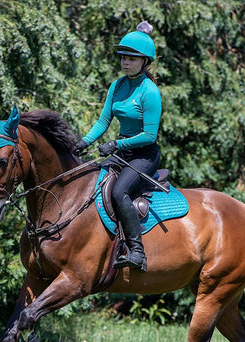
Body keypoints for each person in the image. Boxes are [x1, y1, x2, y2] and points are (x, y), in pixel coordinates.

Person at [73, 21, 161, 272]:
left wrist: (116, 143)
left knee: (119, 191)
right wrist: (83, 143)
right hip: (122, 152)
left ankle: (137, 253)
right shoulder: (117, 86)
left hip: (144, 155)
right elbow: (103, 121)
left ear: (145, 61)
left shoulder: (150, 92)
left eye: (132, 58)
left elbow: (149, 136)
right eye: (123, 57)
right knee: (91, 183)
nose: (126, 62)